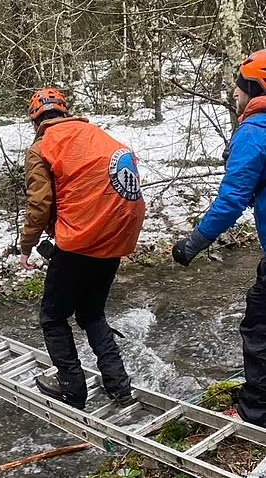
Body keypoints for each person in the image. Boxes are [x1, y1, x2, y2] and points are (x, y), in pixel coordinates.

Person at [20, 88, 146, 409]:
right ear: (66, 112)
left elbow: (39, 204)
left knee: (52, 316)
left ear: (36, 120)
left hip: (77, 241)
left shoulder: (41, 147)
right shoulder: (96, 134)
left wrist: (27, 245)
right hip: (114, 238)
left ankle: (71, 386)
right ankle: (119, 386)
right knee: (91, 312)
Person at [172, 50, 266, 428]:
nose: (235, 96)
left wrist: (192, 244)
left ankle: (255, 413)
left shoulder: (255, 132)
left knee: (259, 328)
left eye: (239, 89)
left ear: (256, 88)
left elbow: (231, 201)